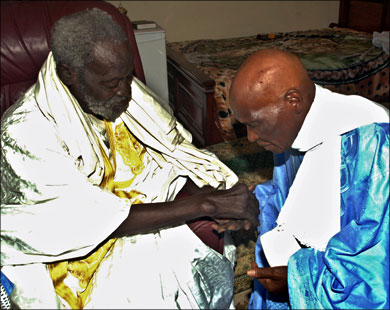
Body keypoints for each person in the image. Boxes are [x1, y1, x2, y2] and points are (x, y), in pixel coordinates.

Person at [0, 8, 260, 309]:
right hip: (65, 251)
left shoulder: (117, 90)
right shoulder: (25, 131)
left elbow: (170, 154)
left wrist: (220, 196)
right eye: (112, 83)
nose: (125, 92)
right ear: (68, 74)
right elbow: (81, 221)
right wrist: (205, 204)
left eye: (128, 76)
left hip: (128, 212)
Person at [229, 48, 389, 309]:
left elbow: (375, 273)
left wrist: (296, 282)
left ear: (293, 100)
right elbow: (294, 197)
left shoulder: (374, 146)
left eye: (255, 124)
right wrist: (248, 205)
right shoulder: (295, 128)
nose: (250, 139)